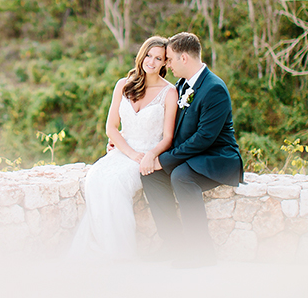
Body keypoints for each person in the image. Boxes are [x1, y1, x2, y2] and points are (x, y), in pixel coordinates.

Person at [69, 36, 178, 258]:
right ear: (141, 55)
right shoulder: (123, 84)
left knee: (115, 185)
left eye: (158, 58)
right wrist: (128, 152)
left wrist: (148, 156)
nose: (152, 61)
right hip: (123, 151)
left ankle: (119, 252)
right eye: (148, 55)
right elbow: (111, 128)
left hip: (148, 154)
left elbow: (168, 137)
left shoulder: (170, 92)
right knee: (95, 178)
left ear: (165, 63)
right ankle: (100, 245)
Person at [140, 32, 243, 267]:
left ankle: (202, 252)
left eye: (169, 59)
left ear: (184, 58)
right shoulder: (182, 85)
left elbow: (204, 138)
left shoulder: (214, 88)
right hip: (192, 155)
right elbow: (167, 126)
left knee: (181, 177)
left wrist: (164, 160)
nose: (167, 64)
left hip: (218, 158)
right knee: (149, 173)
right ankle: (174, 244)